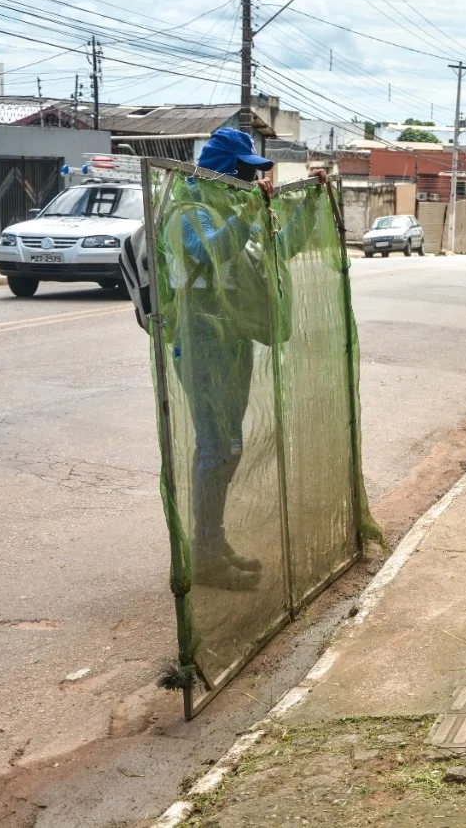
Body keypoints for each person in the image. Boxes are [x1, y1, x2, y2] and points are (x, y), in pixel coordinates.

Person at [176, 128, 275, 591]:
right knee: (217, 447)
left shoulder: (231, 210)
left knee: (228, 448)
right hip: (201, 340)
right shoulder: (187, 209)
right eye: (239, 172)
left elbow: (274, 249)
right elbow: (207, 250)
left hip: (232, 338)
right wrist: (248, 213)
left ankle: (211, 542)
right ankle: (206, 557)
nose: (246, 181)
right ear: (219, 171)